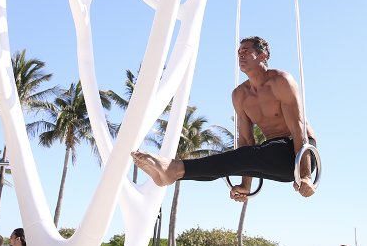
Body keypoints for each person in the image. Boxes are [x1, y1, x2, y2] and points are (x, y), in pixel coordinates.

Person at [132, 36, 318, 202]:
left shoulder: (280, 81)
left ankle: (174, 169)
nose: (241, 55)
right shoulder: (240, 95)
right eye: (239, 52)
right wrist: (245, 186)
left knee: (244, 156)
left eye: (246, 51)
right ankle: (175, 173)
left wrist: (306, 175)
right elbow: (246, 141)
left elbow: (298, 128)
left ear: (263, 56)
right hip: (271, 153)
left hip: (298, 153)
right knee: (228, 164)